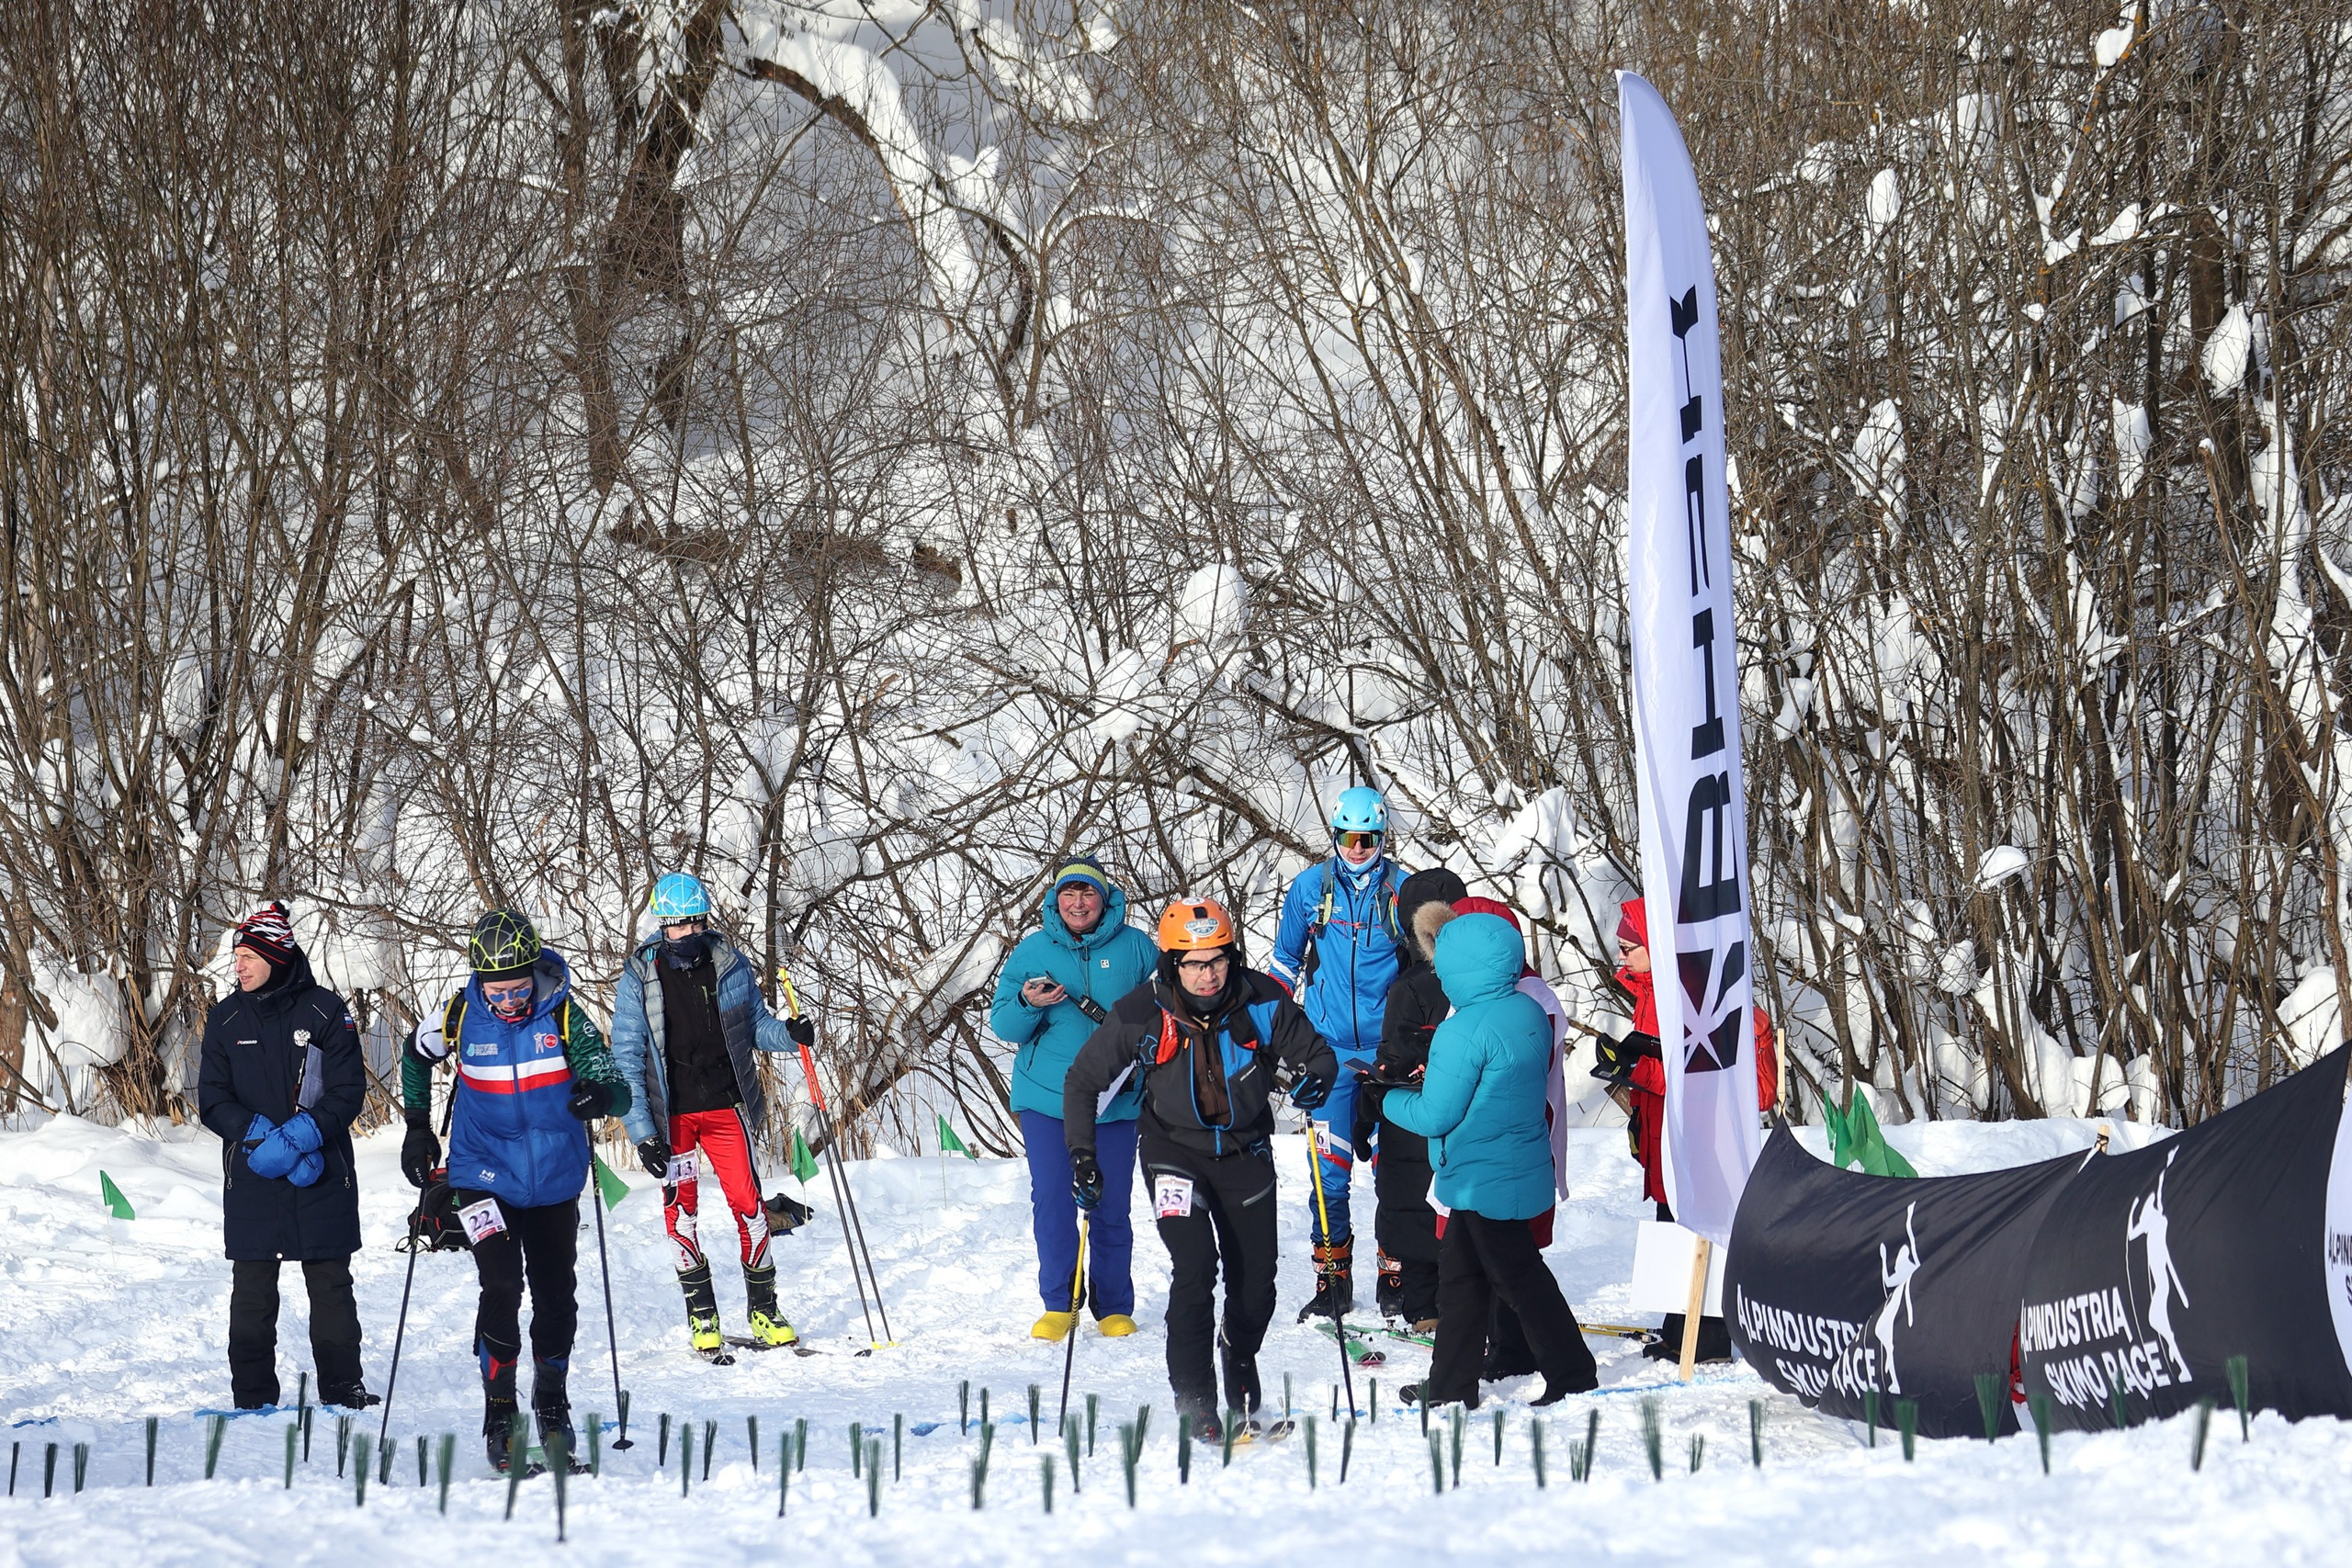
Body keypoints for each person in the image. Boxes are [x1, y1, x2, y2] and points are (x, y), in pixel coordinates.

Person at [1062, 897, 1337, 1440]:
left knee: (1256, 1283)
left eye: (1216, 960)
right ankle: (1195, 1399)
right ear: (1171, 964)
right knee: (1194, 1268)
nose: (1207, 974)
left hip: (1245, 1153)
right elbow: (1082, 1082)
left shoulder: (1263, 1000)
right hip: (1173, 1153)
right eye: (1192, 962)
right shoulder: (1142, 1012)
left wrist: (1314, 1081)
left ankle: (1238, 1355)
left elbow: (1319, 1057)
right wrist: (1082, 1157)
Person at [400, 908, 630, 1471]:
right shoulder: (458, 1014)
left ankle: (551, 1400)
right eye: (497, 991)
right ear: (480, 982)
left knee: (556, 1295)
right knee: (501, 1283)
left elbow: (617, 1087)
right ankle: (499, 1412)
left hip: (553, 1178)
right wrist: (415, 1123)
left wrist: (598, 1098)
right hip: (481, 1175)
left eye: (518, 988)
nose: (509, 1002)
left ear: (535, 973)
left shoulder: (565, 1015)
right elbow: (413, 1053)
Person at [1380, 911, 1600, 1409]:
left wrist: (1385, 1100)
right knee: (1461, 1282)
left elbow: (1436, 1114)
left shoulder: (1463, 1031)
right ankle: (1453, 1387)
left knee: (1520, 1279)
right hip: (1513, 1167)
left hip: (1482, 1177)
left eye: (1444, 963)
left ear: (1462, 968)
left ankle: (1573, 1373)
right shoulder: (1526, 1011)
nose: (1436, 972)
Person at [609, 872, 811, 1357]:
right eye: (679, 926)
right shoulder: (640, 975)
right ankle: (702, 1317)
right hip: (674, 1115)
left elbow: (756, 1027)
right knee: (682, 1215)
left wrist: (791, 1034)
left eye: (696, 923)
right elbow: (627, 1055)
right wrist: (642, 1133)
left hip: (725, 1106)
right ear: (663, 926)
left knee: (750, 1206)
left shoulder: (730, 963)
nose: (689, 934)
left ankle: (764, 1309)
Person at [197, 902, 374, 1411]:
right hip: (253, 1177)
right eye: (237, 957)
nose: (240, 965)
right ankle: (252, 1402)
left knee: (332, 1290)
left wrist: (302, 1133)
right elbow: (211, 1097)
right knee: (252, 1301)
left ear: (277, 956)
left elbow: (347, 1090)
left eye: (250, 955)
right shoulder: (226, 1018)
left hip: (322, 1175)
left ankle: (344, 1394)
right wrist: (252, 1131)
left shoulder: (325, 1011)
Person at [1595, 897, 1777, 1361]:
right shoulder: (1651, 994)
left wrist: (1637, 1071)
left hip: (1696, 1142)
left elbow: (1701, 1081)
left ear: (1656, 946)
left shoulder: (1687, 996)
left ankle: (1707, 1337)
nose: (1621, 956)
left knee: (1697, 1229)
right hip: (1663, 1138)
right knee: (1671, 1228)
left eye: (1628, 946)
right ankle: (1679, 1328)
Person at [986, 855, 1158, 1341]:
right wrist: (1027, 1003)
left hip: (1117, 1097)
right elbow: (1003, 1025)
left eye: (1087, 893)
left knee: (1112, 1202)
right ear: (1054, 900)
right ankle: (1059, 1303)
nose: (1078, 902)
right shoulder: (1032, 952)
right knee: (1054, 1199)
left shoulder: (1137, 947)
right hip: (1048, 1099)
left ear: (1104, 900)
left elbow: (1172, 1000)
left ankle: (1114, 1306)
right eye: (1068, 893)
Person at [1269, 784, 1404, 1318]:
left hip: (1389, 1052)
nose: (1357, 848)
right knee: (1328, 1167)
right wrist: (1271, 1030)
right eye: (1347, 837)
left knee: (1398, 1166)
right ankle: (1332, 1279)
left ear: (1381, 835)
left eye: (1367, 838)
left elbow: (1427, 971)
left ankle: (1397, 1271)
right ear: (1334, 835)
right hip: (1328, 1051)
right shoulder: (1310, 888)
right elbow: (1285, 963)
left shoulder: (1401, 889)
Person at [1355, 867, 1468, 1327]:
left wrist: (1367, 1106)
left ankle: (1425, 1305)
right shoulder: (1489, 976)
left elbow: (1393, 1057)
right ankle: (1452, 1303)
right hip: (1461, 1117)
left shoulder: (1409, 985)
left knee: (1417, 1205)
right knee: (1448, 1210)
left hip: (1414, 1112)